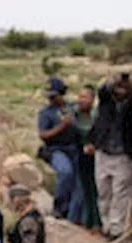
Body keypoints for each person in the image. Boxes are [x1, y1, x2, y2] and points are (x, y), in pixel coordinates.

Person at [89, 74, 132, 240]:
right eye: (117, 87)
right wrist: (111, 80)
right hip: (103, 152)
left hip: (123, 155)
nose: (120, 91)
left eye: (123, 88)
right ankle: (106, 225)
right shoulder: (106, 103)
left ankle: (116, 229)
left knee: (120, 194)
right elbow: (102, 90)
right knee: (103, 192)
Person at [37, 78, 83, 221]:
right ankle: (59, 207)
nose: (51, 99)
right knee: (65, 172)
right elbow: (43, 134)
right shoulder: (46, 113)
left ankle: (74, 215)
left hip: (75, 148)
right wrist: (62, 126)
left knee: (78, 183)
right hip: (56, 149)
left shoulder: (73, 108)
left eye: (54, 95)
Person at [72, 86, 101, 230]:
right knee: (85, 188)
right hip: (80, 155)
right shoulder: (75, 114)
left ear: (92, 99)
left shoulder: (98, 115)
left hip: (96, 156)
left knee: (96, 189)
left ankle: (97, 222)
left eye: (85, 97)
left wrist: (94, 146)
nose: (81, 100)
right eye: (79, 97)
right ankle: (86, 221)